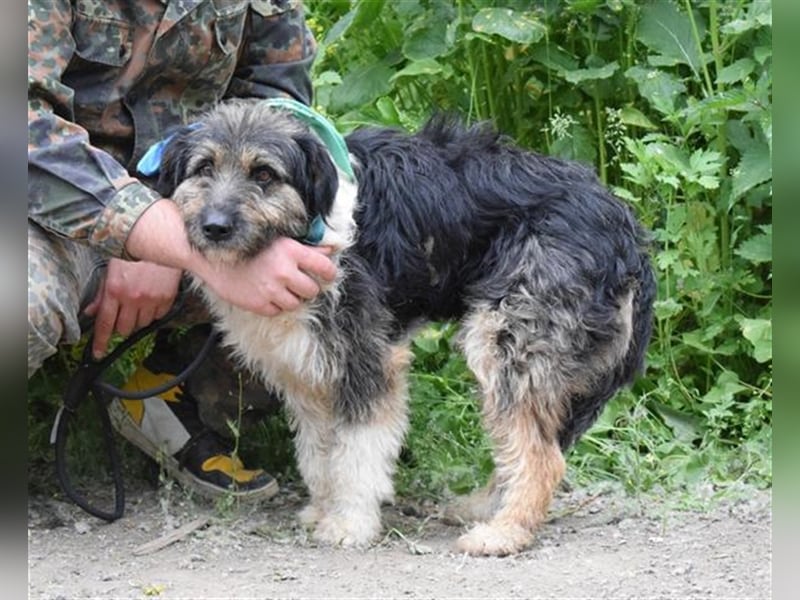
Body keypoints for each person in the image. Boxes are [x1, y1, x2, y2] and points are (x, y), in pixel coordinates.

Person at [28, 0, 336, 501]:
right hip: (46, 209)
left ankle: (176, 396)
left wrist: (173, 228)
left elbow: (277, 113)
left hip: (203, 203)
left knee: (319, 274)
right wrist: (150, 230)